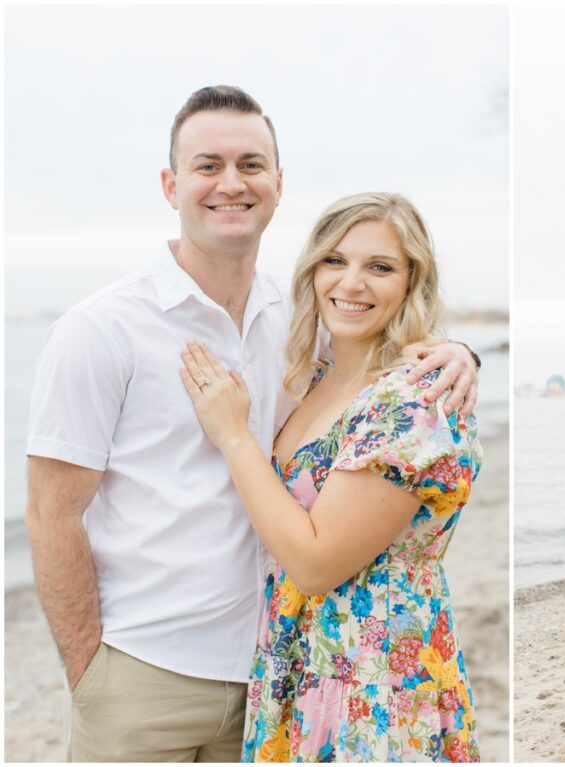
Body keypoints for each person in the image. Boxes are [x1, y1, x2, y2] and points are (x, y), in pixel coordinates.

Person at [25, 86, 479, 762]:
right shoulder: (102, 329)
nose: (230, 183)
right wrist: (90, 674)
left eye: (251, 164)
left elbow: (385, 382)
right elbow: (50, 512)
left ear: (277, 184)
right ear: (170, 183)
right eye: (208, 164)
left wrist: (461, 353)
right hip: (145, 676)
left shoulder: (301, 332)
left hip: (281, 678)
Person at [179, 192, 482, 762]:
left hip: (371, 683)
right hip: (301, 664)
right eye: (335, 261)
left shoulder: (410, 399)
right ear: (311, 270)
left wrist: (235, 437)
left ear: (413, 281)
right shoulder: (317, 378)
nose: (352, 283)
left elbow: (317, 565)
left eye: (381, 267)